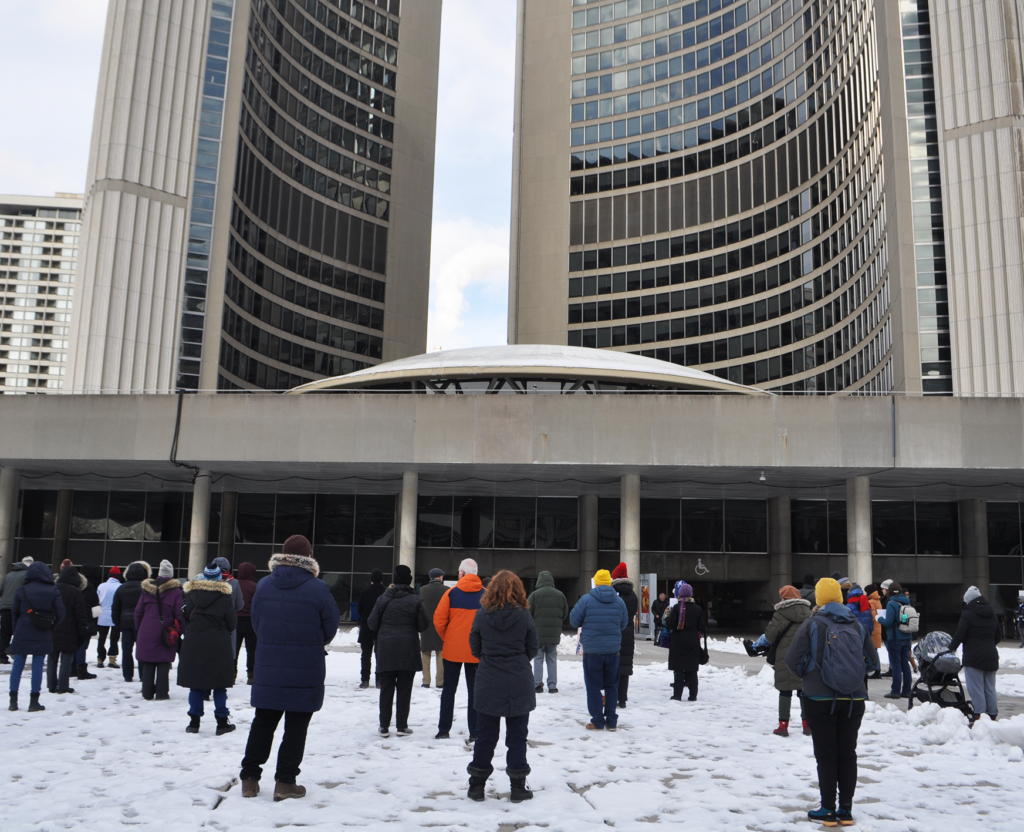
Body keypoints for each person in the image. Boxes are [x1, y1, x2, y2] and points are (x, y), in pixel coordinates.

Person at [240, 535, 340, 801]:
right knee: (296, 726)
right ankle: (285, 782)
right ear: (309, 557)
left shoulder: (263, 585)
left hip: (269, 664)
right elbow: (330, 626)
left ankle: (249, 778)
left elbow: (256, 623)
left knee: (263, 721)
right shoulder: (318, 588)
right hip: (305, 666)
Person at [786, 577, 873, 827]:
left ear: (818, 600)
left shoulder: (812, 624)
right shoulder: (856, 625)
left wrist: (809, 674)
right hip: (854, 698)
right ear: (840, 598)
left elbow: (792, 660)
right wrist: (853, 674)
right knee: (848, 754)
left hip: (818, 699)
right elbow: (874, 662)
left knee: (826, 755)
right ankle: (845, 811)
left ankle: (827, 809)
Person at [467, 570, 539, 803]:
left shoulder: (481, 615)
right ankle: (518, 787)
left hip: (489, 680)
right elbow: (533, 647)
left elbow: (474, 647)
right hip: (518, 680)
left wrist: (490, 658)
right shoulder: (524, 615)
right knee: (517, 736)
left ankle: (476, 786)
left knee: (485, 736)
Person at [369, 564, 429, 737]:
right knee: (405, 688)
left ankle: (384, 726)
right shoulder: (415, 600)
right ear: (409, 581)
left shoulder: (383, 598)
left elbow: (372, 623)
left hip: (386, 649)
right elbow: (423, 625)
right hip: (407, 649)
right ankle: (402, 726)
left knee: (386, 687)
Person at [178, 564, 238, 735]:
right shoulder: (224, 597)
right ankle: (221, 722)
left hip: (195, 642)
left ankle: (194, 722)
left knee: (195, 685)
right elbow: (232, 624)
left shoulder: (192, 595)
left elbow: (185, 616)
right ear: (220, 578)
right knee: (220, 685)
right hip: (218, 644)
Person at [569, 569, 628, 730]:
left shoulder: (586, 600)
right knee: (612, 686)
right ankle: (612, 721)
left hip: (592, 651)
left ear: (596, 582)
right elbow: (623, 624)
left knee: (593, 687)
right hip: (613, 651)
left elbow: (574, 621)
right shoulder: (619, 602)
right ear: (610, 583)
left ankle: (597, 720)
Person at [434, 558, 485, 741]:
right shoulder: (486, 595)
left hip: (452, 651)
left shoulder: (451, 593)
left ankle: (443, 730)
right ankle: (475, 732)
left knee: (448, 690)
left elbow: (439, 620)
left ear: (462, 574)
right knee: (475, 692)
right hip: (476, 652)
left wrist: (448, 638)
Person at [8, 561, 65, 712]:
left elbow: (14, 613)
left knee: (18, 665)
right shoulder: (53, 590)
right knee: (38, 666)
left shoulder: (22, 590)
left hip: (22, 630)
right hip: (42, 631)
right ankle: (34, 702)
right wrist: (51, 627)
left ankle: (13, 701)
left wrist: (16, 629)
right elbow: (61, 613)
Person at [763, 585, 811, 736]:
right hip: (805, 656)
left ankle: (783, 726)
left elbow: (770, 636)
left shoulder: (780, 614)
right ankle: (807, 725)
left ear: (783, 598)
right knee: (804, 691)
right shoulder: (809, 613)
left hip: (785, 657)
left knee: (785, 691)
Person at [949, 586, 1001, 723]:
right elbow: (998, 636)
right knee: (989, 688)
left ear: (969, 601)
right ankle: (992, 715)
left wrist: (951, 648)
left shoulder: (968, 613)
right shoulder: (992, 613)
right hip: (991, 655)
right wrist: (988, 645)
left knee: (976, 688)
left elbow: (960, 634)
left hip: (973, 656)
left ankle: (979, 715)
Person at [135, 560, 185, 701]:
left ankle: (147, 692)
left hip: (146, 629)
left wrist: (139, 628)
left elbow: (138, 611)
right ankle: (162, 693)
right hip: (166, 630)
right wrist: (181, 631)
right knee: (163, 662)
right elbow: (179, 614)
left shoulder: (147, 590)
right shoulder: (176, 592)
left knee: (148, 661)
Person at [48, 564, 91, 694]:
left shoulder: (53, 589)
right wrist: (81, 631)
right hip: (70, 631)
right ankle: (63, 686)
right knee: (66, 659)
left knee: (52, 658)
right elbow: (80, 615)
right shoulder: (76, 592)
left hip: (53, 628)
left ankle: (51, 685)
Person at [526, 570, 568, 694]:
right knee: (552, 658)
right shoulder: (560, 595)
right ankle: (552, 686)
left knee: (538, 658)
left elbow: (528, 613)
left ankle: (537, 685)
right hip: (553, 633)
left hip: (537, 633)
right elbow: (565, 613)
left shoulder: (534, 595)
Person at [665, 581, 704, 702]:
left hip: (678, 641)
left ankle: (677, 695)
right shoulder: (698, 609)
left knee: (678, 669)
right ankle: (693, 696)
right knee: (692, 669)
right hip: (692, 641)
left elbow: (671, 625)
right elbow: (701, 627)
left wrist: (667, 617)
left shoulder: (677, 608)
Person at [111, 561, 151, 682]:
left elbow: (115, 608)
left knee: (126, 650)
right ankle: (143, 675)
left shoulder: (121, 588)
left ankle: (128, 675)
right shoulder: (146, 589)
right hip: (141, 623)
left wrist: (117, 623)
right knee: (142, 649)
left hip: (125, 623)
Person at [875, 581, 913, 699]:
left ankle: (895, 691)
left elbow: (889, 622)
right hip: (907, 637)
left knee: (896, 665)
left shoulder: (892, 604)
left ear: (890, 591)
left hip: (895, 638)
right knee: (905, 664)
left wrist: (879, 618)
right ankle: (907, 690)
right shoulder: (908, 602)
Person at [610, 562, 638, 709]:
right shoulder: (633, 595)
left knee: (612, 665)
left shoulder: (612, 594)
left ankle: (612, 696)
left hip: (614, 631)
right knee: (625, 667)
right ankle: (623, 699)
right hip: (628, 632)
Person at [0, 556, 34, 664]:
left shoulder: (8, 575)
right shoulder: (26, 575)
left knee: (5, 632)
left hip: (5, 607)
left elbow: (1, 590)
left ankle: (1, 654)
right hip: (17, 607)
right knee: (19, 631)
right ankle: (12, 649)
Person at [357, 570, 385, 689]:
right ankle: (379, 680)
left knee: (366, 654)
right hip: (381, 626)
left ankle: (365, 680)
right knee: (380, 654)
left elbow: (359, 609)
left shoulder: (364, 592)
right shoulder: (385, 593)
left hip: (366, 626)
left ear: (371, 579)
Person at [419, 568, 447, 689]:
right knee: (441, 653)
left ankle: (426, 681)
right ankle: (440, 682)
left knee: (425, 653)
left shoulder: (422, 590)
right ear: (440, 577)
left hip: (426, 626)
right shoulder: (447, 590)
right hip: (441, 626)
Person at [846, 585, 880, 682]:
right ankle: (864, 690)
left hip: (852, 639)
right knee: (863, 663)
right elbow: (871, 622)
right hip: (864, 638)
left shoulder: (849, 606)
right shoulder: (866, 604)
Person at [74, 565, 100, 681]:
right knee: (82, 645)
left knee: (75, 645)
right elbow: (93, 605)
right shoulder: (90, 587)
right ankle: (81, 669)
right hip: (86, 620)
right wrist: (94, 621)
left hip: (74, 618)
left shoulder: (75, 583)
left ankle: (72, 668)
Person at [235, 562, 259, 685]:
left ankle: (231, 673)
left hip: (235, 621)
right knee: (252, 649)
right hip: (250, 621)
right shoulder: (255, 586)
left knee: (234, 648)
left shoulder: (233, 584)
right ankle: (251, 674)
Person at [96, 566, 122, 668]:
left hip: (101, 615)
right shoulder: (120, 586)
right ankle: (112, 659)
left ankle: (100, 659)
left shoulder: (101, 586)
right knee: (114, 638)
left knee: (101, 638)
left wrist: (96, 617)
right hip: (116, 616)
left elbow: (96, 601)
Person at [865, 585, 883, 678]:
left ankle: (877, 670)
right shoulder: (877, 600)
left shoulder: (871, 602)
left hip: (873, 629)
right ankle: (877, 669)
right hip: (877, 627)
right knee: (874, 650)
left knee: (873, 650)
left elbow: (871, 616)